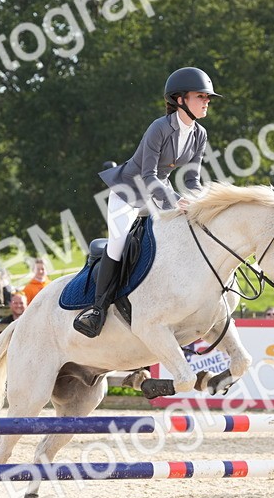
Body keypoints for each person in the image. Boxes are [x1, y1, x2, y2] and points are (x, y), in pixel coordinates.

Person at [73, 67, 220, 338]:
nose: (206, 101)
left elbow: (192, 180)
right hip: (128, 191)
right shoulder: (159, 128)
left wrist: (200, 204)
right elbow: (148, 175)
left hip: (158, 192)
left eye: (207, 97)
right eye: (200, 96)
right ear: (180, 99)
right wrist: (175, 201)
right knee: (118, 244)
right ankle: (97, 309)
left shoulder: (200, 134)